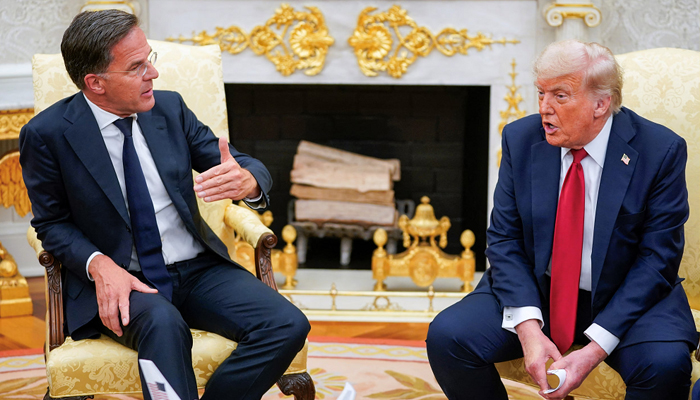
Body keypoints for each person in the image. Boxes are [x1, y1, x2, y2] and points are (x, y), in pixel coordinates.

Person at [19, 9, 309, 400]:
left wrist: (249, 180)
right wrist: (100, 265)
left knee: (287, 324)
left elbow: (240, 163)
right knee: (164, 327)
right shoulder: (47, 134)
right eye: (136, 67)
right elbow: (52, 224)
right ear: (95, 82)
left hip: (198, 269)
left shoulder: (170, 110)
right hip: (124, 277)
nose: (153, 73)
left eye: (149, 60)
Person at [426, 39, 698, 400]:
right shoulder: (521, 139)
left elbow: (657, 259)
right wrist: (528, 329)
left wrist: (594, 350)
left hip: (628, 295)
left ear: (601, 103)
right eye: (541, 93)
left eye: (560, 96)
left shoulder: (659, 151)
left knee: (664, 366)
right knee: (448, 337)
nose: (544, 108)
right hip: (540, 288)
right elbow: (504, 239)